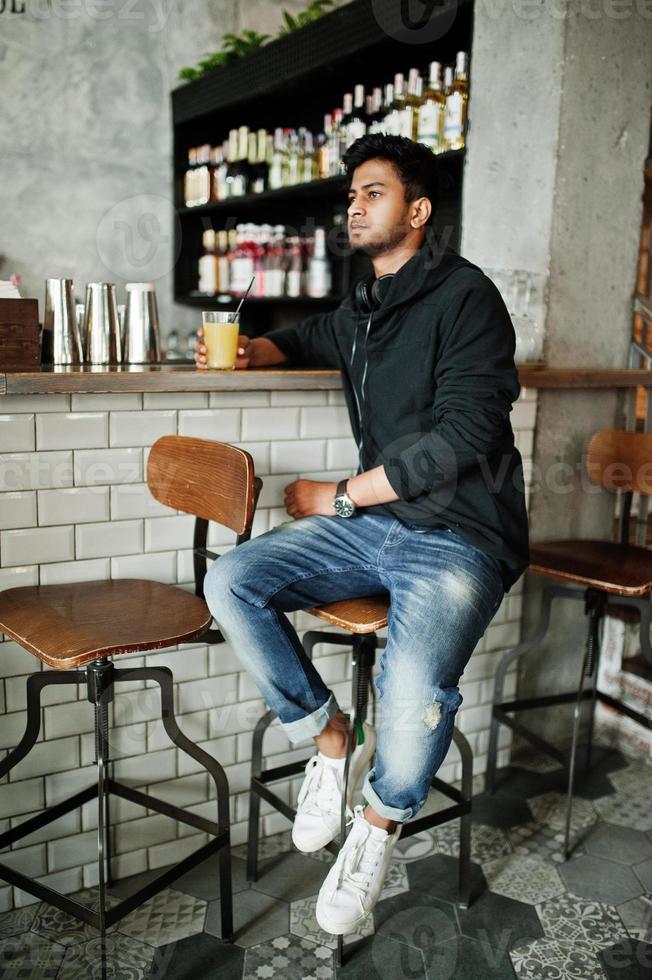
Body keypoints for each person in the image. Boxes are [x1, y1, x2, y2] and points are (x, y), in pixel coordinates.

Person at [194, 134, 530, 935]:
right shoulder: (364, 307)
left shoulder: (467, 298)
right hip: (378, 525)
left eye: (373, 192)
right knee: (230, 580)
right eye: (351, 194)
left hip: (461, 534)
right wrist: (251, 349)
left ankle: (378, 827)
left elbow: (463, 438)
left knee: (413, 699)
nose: (354, 204)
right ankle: (328, 734)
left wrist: (338, 496)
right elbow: (309, 340)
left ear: (418, 210)